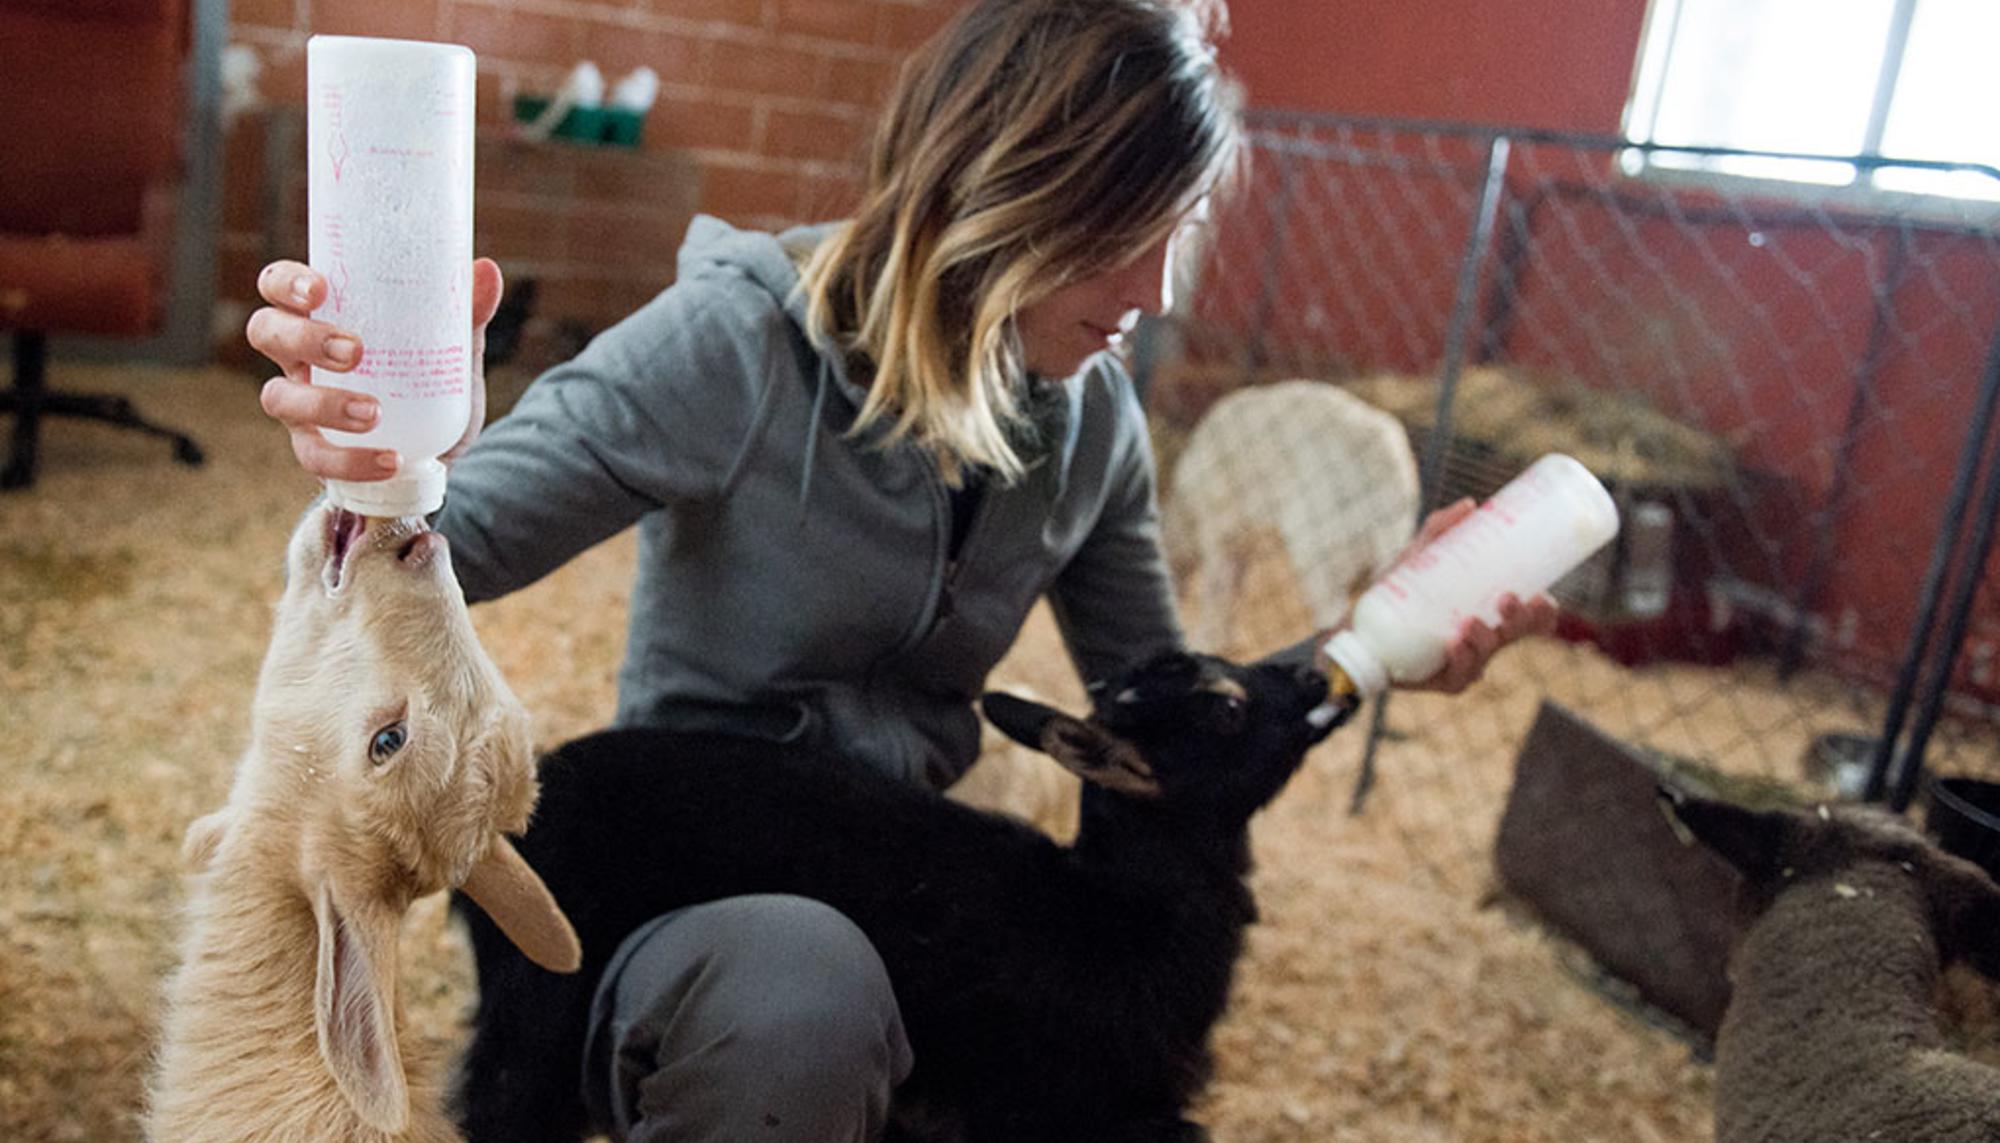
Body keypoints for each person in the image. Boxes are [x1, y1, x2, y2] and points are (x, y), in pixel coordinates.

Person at [249, 1, 1556, 1138]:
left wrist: (1376, 644)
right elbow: (395, 577)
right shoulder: (738, 345)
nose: (1155, 291)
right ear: (1011, 191)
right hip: (709, 911)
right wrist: (391, 457)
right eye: (1123, 235)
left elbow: (1164, 722)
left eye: (1182, 233)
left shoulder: (1087, 414)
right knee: (798, 999)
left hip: (929, 911)